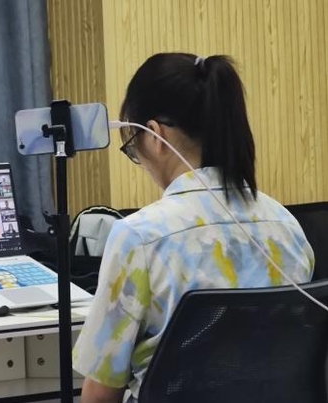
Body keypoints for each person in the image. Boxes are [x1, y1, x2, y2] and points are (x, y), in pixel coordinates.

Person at [73, 53, 315, 403]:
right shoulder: (285, 226)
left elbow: (100, 395)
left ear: (155, 136)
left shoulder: (139, 237)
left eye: (133, 147)